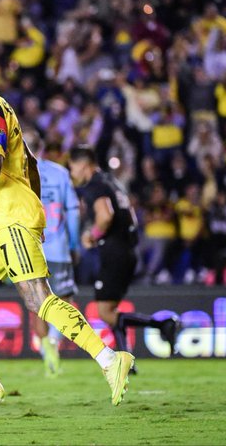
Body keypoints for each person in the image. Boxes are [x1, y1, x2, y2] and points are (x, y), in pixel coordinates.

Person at [0, 40, 134, 419]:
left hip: (12, 219)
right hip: (3, 220)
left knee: (39, 301)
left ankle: (109, 359)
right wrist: (35, 208)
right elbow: (32, 163)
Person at [67, 146, 180, 367]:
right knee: (112, 310)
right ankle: (127, 361)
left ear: (83, 164)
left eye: (72, 167)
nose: (72, 173)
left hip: (114, 252)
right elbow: (132, 219)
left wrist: (92, 235)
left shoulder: (94, 186)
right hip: (128, 250)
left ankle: (163, 324)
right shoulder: (112, 183)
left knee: (104, 312)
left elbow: (106, 216)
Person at [27, 132, 81, 378]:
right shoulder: (60, 173)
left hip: (28, 248)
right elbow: (73, 212)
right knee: (65, 300)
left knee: (37, 305)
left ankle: (45, 351)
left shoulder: (16, 173)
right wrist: (74, 243)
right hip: (58, 248)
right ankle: (52, 341)